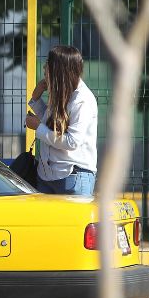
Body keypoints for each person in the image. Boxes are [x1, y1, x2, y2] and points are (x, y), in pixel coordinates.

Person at [25, 45, 98, 196]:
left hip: (73, 176)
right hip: (46, 176)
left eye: (48, 64)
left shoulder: (81, 100)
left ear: (60, 69)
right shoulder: (61, 91)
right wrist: (35, 99)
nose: (45, 68)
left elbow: (71, 142)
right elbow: (53, 124)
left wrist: (38, 128)